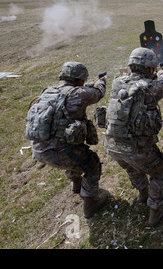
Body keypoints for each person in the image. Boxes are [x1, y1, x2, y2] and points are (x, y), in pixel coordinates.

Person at [27, 61, 109, 218]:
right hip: (59, 152)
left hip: (39, 148)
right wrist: (101, 82)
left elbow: (78, 91)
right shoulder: (78, 94)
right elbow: (98, 93)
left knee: (73, 152)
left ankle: (76, 184)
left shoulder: (48, 91)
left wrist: (91, 82)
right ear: (79, 80)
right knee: (92, 164)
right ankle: (90, 205)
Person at [103, 47, 163, 227]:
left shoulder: (117, 83)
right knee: (157, 174)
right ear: (150, 68)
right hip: (136, 148)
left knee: (132, 168)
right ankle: (156, 210)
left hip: (113, 145)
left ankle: (143, 193)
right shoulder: (151, 88)